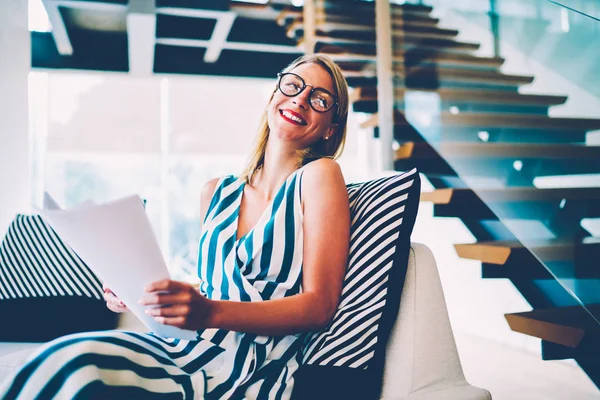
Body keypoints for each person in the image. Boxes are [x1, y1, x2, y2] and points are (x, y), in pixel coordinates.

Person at [0, 53, 351, 399]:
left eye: (320, 99)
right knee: (61, 357)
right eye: (293, 84)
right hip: (184, 346)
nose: (301, 99)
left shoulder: (319, 176)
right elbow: (219, 285)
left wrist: (210, 312)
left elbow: (318, 306)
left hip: (246, 368)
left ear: (331, 127)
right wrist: (146, 295)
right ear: (274, 94)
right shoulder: (216, 191)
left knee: (78, 365)